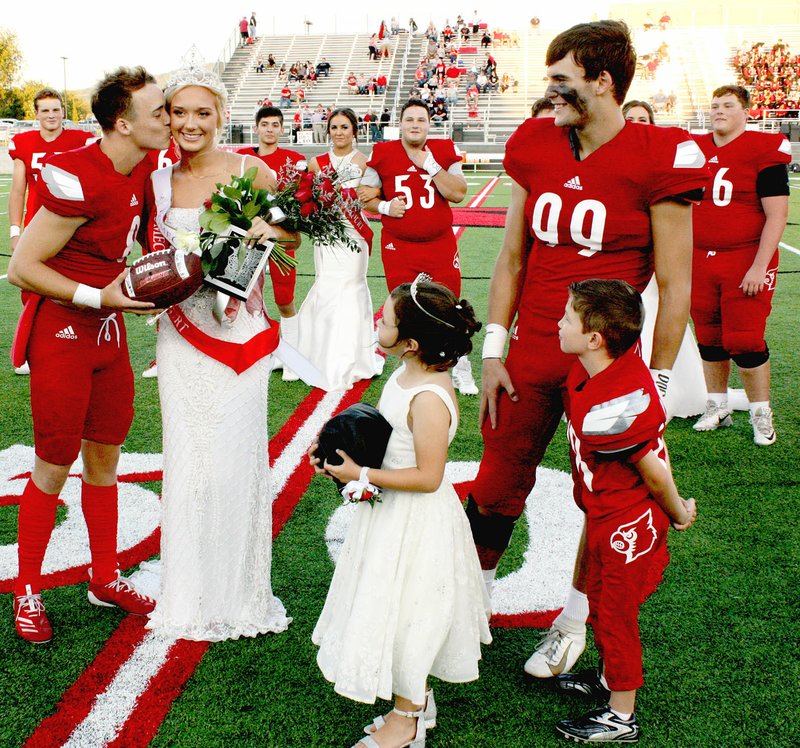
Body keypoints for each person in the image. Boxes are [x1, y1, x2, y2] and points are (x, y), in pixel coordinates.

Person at [466, 20, 709, 681]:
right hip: (530, 350)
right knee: (493, 487)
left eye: (563, 81)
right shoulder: (537, 145)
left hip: (606, 367)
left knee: (602, 501)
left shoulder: (662, 153)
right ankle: (470, 604)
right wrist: (492, 349)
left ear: (603, 83)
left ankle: (572, 621)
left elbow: (675, 281)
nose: (550, 95)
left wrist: (655, 383)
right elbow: (513, 256)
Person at [7, 67, 171, 643]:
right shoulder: (76, 173)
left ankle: (104, 575)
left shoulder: (141, 165)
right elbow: (21, 268)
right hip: (63, 332)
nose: (169, 119)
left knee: (106, 460)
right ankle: (27, 589)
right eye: (158, 111)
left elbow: (136, 239)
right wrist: (96, 294)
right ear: (122, 123)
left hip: (106, 332)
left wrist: (143, 288)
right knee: (53, 464)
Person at [144, 59, 295, 641]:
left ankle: (239, 592)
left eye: (201, 112)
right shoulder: (157, 181)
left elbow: (291, 233)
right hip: (182, 336)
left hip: (239, 334)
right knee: (186, 460)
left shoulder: (252, 170)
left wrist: (261, 232)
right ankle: (186, 588)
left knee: (234, 455)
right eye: (179, 113)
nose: (190, 123)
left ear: (222, 116)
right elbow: (146, 253)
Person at [309, 276, 491, 748]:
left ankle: (408, 718)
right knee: (391, 604)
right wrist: (340, 453)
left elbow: (429, 476)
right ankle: (417, 699)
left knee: (412, 613)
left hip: (417, 522)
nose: (377, 322)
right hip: (390, 514)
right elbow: (389, 441)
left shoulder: (429, 398)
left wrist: (361, 478)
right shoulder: (407, 372)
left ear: (410, 343)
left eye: (385, 321)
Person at [553, 279, 697, 742]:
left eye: (568, 317)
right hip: (606, 512)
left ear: (595, 338)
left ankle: (621, 714)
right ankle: (611, 678)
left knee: (616, 615)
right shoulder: (601, 370)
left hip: (627, 522)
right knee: (600, 599)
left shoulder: (614, 403)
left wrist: (677, 510)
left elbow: (652, 470)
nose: (560, 322)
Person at [690, 85, 791, 445]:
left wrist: (759, 265)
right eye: (714, 105)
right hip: (699, 257)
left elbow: (777, 214)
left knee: (744, 339)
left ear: (745, 111)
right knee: (709, 337)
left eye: (727, 105)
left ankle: (761, 412)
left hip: (744, 256)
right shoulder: (694, 148)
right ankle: (717, 406)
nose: (718, 111)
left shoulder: (763, 148)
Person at [358, 99, 478, 396]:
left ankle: (460, 362)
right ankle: (411, 365)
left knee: (451, 306)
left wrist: (431, 165)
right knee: (403, 308)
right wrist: (385, 205)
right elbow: (365, 195)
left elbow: (459, 193)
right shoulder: (384, 152)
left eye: (420, 120)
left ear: (429, 124)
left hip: (438, 244)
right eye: (409, 119)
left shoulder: (443, 150)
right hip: (399, 246)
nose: (414, 125)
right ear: (399, 124)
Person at [622, 99, 709, 420]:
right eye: (629, 118)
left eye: (643, 119)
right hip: (619, 269)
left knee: (658, 317)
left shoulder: (664, 164)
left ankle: (659, 387)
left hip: (654, 267)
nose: (636, 123)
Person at [293, 109, 383, 392]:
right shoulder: (315, 163)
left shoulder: (367, 162)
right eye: (334, 127)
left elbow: (373, 197)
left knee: (351, 287)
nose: (339, 132)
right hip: (327, 235)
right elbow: (303, 197)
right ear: (328, 131)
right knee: (328, 286)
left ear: (354, 130)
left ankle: (354, 358)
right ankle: (319, 355)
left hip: (353, 234)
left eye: (345, 127)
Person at [8, 87, 94, 375]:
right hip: (36, 229)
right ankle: (32, 353)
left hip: (72, 230)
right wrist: (14, 229)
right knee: (31, 289)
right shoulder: (24, 142)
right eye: (45, 110)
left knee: (71, 288)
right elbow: (18, 190)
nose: (51, 115)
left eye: (56, 109)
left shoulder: (80, 140)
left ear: (63, 112)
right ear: (36, 114)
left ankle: (75, 346)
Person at [238, 105, 305, 379]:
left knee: (284, 298)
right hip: (249, 237)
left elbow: (299, 203)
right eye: (264, 124)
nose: (269, 129)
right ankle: (255, 351)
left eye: (275, 124)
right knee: (243, 298)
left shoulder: (293, 160)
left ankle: (291, 357)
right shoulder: (242, 159)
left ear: (281, 128)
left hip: (280, 237)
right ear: (256, 128)